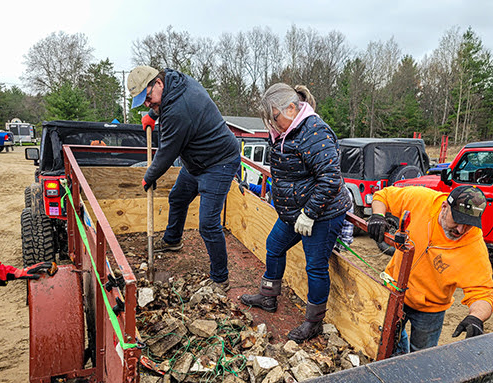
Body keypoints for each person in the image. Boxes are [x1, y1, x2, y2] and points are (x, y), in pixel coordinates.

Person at [240, 83, 351, 343]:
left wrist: (310, 213)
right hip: (294, 211)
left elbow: (330, 178)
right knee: (274, 245)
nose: (273, 124)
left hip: (323, 212)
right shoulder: (285, 129)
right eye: (269, 119)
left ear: (291, 107)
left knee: (315, 266)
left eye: (275, 117)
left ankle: (314, 323)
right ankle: (268, 297)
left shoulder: (315, 131)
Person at [127, 66, 241, 291]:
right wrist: (152, 115)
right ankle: (172, 240)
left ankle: (221, 279)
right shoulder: (174, 82)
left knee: (208, 225)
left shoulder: (179, 109)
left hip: (219, 163)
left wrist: (148, 178)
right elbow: (162, 108)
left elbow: (167, 153)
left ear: (158, 84)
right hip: (196, 161)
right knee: (178, 197)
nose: (148, 104)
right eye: (144, 102)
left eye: (148, 99)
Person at [367, 185, 493, 355]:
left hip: (430, 309)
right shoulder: (423, 200)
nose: (460, 230)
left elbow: (483, 291)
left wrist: (476, 317)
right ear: (445, 207)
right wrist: (377, 215)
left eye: (467, 225)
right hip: (393, 291)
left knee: (422, 356)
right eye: (457, 220)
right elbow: (383, 195)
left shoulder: (472, 246)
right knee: (388, 342)